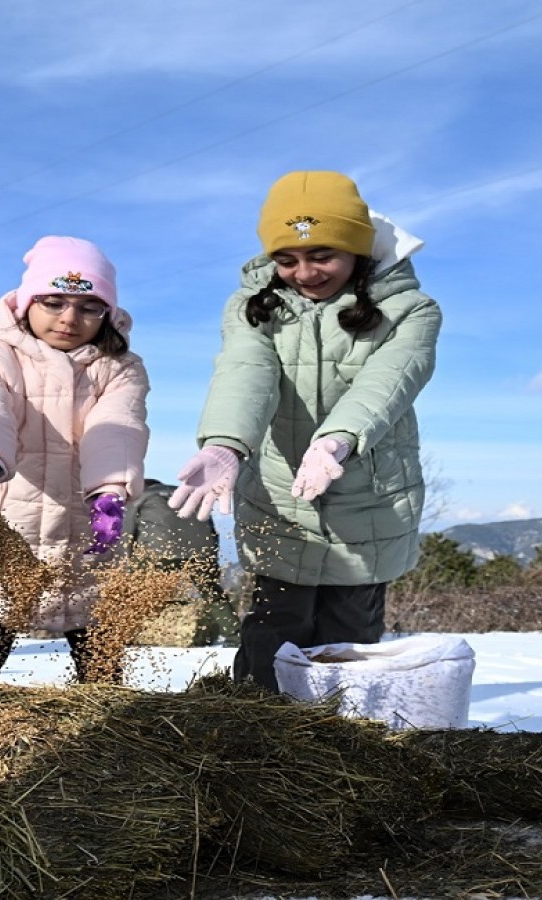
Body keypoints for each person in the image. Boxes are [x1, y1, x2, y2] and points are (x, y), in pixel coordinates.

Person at [169, 170, 441, 690]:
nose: (305, 272)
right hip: (279, 497)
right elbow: (245, 372)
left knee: (348, 642)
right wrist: (226, 443)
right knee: (272, 636)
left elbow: (388, 382)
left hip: (368, 498)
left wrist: (338, 439)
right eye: (287, 259)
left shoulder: (411, 311)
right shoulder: (255, 307)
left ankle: (343, 749)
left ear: (358, 250)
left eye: (323, 256)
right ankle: (253, 737)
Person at [0, 236, 150, 698]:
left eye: (89, 307)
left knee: (98, 648)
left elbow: (116, 428)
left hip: (84, 527)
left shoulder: (119, 368)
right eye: (53, 302)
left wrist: (110, 491)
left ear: (107, 314)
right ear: (26, 302)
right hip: (0, 526)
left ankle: (112, 734)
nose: (69, 318)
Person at [120, 478, 238, 646]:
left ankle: (124, 634)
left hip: (157, 553)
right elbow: (211, 528)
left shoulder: (139, 498)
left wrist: (126, 567)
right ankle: (234, 636)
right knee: (212, 592)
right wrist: (212, 561)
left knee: (134, 591)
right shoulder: (190, 495)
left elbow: (126, 534)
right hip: (201, 553)